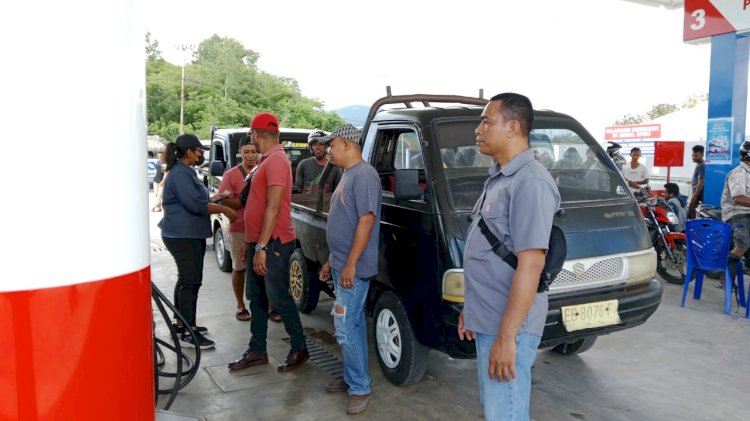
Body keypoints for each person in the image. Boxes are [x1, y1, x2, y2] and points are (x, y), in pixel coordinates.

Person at [458, 93, 560, 421]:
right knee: (497, 409)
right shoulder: (502, 177)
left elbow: (531, 264)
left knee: (506, 413)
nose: (478, 129)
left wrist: (507, 337)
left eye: (486, 121)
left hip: (509, 325)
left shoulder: (530, 181)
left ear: (513, 127)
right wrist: (470, 310)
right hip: (489, 316)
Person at [228, 112, 309, 373]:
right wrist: (250, 243)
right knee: (257, 297)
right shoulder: (266, 160)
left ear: (255, 133)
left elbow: (273, 207)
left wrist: (261, 247)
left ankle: (299, 347)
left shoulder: (276, 160)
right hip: (259, 241)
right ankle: (257, 350)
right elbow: (258, 204)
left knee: (278, 296)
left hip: (273, 242)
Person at [317, 123, 381, 415]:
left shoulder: (365, 175)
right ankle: (353, 378)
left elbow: (366, 221)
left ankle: (359, 388)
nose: (328, 151)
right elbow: (344, 222)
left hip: (354, 270)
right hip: (343, 264)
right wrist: (333, 261)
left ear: (346, 143)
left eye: (331, 146)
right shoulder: (349, 175)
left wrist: (352, 264)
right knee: (350, 326)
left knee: (346, 326)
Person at [160, 134, 237, 349]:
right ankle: (188, 331)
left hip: (186, 233)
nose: (201, 154)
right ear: (189, 151)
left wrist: (217, 198)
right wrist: (226, 210)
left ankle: (180, 323)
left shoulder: (185, 172)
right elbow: (196, 206)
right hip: (183, 236)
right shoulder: (180, 174)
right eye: (199, 150)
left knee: (185, 279)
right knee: (191, 282)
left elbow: (199, 200)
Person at [217, 135, 259, 322]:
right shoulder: (231, 175)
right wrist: (244, 200)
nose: (250, 155)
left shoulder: (263, 170)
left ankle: (268, 304)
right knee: (239, 267)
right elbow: (223, 199)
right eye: (246, 152)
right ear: (239, 153)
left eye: (254, 151)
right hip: (239, 227)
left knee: (263, 268)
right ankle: (240, 304)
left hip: (261, 228)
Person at [719, 141, 750, 288]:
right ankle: (726, 279)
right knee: (743, 243)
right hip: (736, 213)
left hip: (747, 212)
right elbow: (739, 199)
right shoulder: (739, 173)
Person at [295, 129, 342, 194]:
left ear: (326, 146)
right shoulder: (303, 164)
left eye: (321, 144)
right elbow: (300, 188)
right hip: (305, 203)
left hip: (327, 203)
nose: (317, 147)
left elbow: (338, 191)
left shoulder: (335, 167)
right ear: (311, 147)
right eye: (314, 144)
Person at [688, 145, 705, 219]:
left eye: (696, 155)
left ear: (702, 155)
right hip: (696, 195)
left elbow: (700, 184)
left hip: (698, 196)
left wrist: (694, 198)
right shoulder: (698, 164)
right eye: (693, 155)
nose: (694, 158)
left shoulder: (702, 165)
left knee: (691, 215)